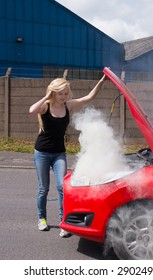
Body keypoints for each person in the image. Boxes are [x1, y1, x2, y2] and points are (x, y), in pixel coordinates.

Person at [29, 72, 106, 237]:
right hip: (41, 152)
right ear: (53, 92)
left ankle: (64, 223)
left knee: (62, 187)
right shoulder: (45, 106)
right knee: (43, 188)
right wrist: (47, 97)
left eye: (65, 94)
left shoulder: (68, 106)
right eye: (60, 94)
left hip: (59, 153)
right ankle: (42, 218)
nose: (63, 97)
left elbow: (88, 98)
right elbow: (31, 110)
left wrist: (101, 80)